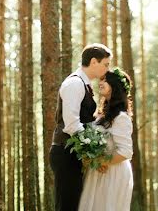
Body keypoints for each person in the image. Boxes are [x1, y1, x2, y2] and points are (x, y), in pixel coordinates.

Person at [50, 43, 112, 211]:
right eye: (105, 64)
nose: (107, 69)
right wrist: (92, 152)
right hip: (65, 152)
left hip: (73, 153)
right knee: (68, 205)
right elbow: (71, 124)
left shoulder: (85, 85)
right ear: (93, 62)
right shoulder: (75, 84)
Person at [78, 68, 134, 211]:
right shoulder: (101, 115)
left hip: (113, 173)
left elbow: (126, 152)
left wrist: (101, 162)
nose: (100, 82)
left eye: (105, 80)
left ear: (115, 86)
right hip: (98, 171)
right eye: (101, 79)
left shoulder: (121, 117)